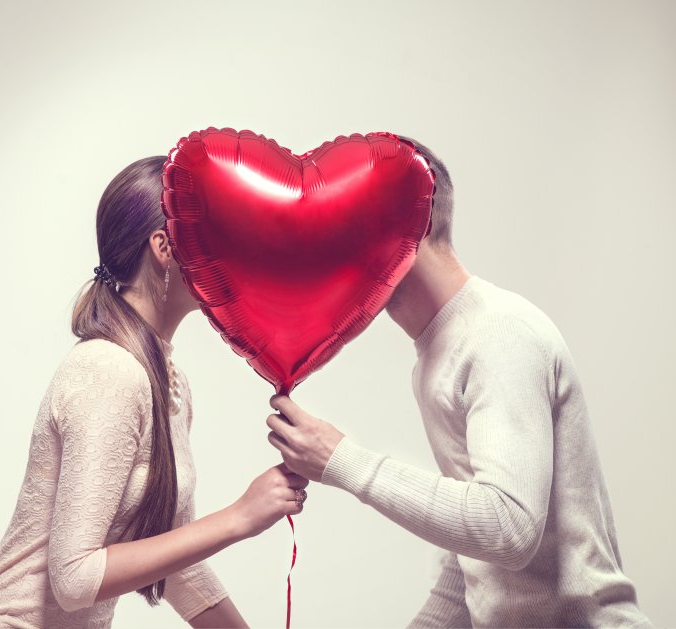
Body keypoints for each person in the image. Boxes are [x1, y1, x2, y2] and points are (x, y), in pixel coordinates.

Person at [265, 137, 651, 627]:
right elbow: (470, 566)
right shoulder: (435, 354)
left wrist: (342, 460)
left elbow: (507, 527)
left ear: (417, 223)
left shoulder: (499, 334)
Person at [0, 156, 309, 629]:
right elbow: (74, 580)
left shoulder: (167, 382)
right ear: (163, 247)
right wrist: (239, 517)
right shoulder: (109, 371)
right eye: (212, 235)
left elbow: (177, 566)